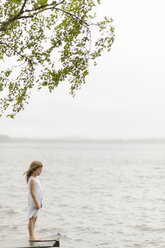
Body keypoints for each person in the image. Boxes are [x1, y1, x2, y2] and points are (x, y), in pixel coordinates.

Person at [24, 161, 43, 241]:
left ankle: (33, 235)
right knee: (31, 218)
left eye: (41, 170)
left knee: (35, 218)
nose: (40, 172)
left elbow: (38, 191)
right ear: (34, 169)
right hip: (33, 201)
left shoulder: (35, 178)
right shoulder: (32, 179)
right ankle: (31, 236)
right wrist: (36, 203)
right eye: (39, 170)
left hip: (37, 201)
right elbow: (32, 192)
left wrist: (40, 202)